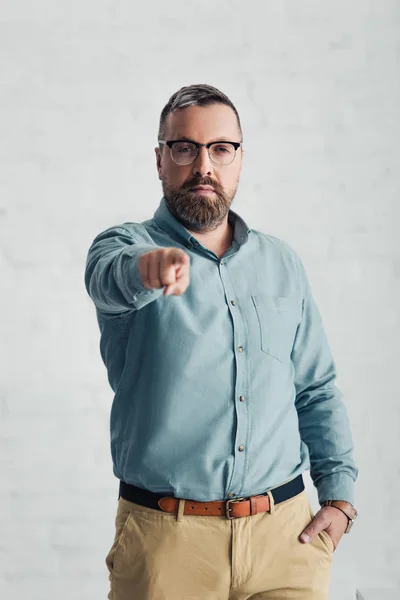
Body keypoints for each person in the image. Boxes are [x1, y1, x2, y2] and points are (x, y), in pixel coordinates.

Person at [84, 83, 358, 600]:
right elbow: (108, 278)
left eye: (220, 149)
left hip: (287, 541)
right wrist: (150, 270)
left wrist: (340, 498)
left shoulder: (282, 263)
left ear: (238, 159)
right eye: (184, 148)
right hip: (169, 547)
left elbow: (316, 390)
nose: (203, 164)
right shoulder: (126, 246)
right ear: (160, 160)